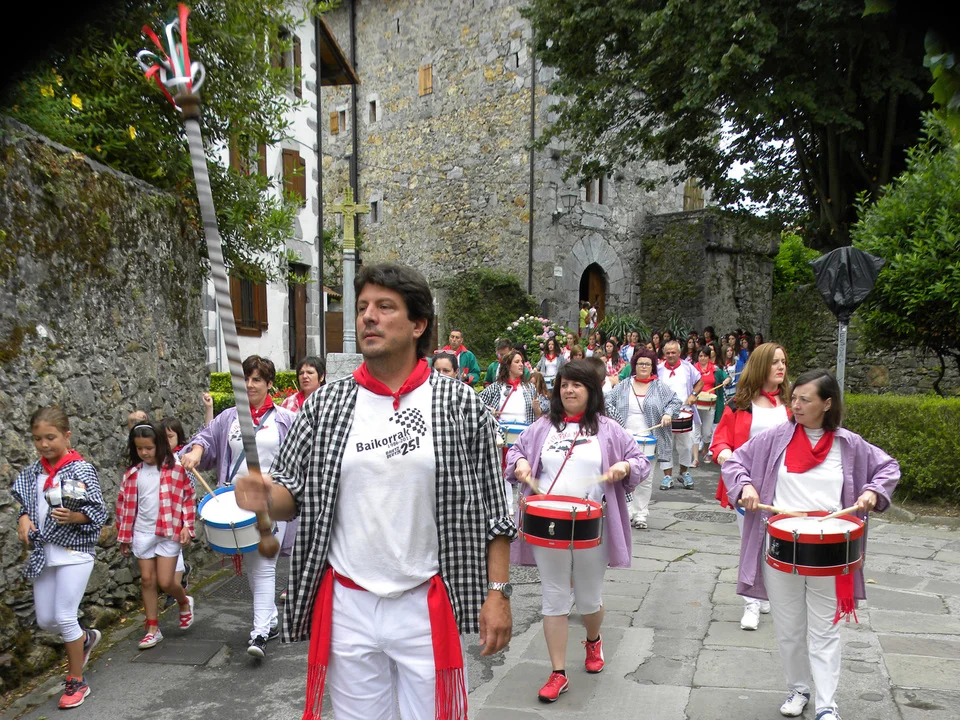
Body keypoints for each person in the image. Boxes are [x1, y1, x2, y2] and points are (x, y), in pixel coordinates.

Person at [234, 262, 514, 720]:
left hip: (426, 604)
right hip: (349, 606)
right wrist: (264, 496)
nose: (368, 316)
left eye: (385, 307)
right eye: (363, 306)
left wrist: (498, 593)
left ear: (418, 324)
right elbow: (290, 497)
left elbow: (495, 510)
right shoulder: (326, 405)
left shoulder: (461, 404)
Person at [722, 369, 900, 720]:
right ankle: (798, 689)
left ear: (827, 403)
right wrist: (745, 486)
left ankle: (827, 705)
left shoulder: (849, 444)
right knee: (789, 629)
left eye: (805, 399)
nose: (796, 405)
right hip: (781, 547)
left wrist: (872, 491)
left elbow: (888, 468)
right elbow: (736, 462)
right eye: (794, 398)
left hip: (830, 551)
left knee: (825, 629)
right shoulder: (775, 438)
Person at [506, 360, 649, 702]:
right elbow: (516, 452)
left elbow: (640, 462)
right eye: (564, 384)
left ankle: (593, 639)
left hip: (592, 527)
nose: (569, 390)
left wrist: (624, 465)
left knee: (588, 599)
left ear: (591, 391)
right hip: (548, 525)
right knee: (554, 596)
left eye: (577, 385)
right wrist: (520, 462)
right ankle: (558, 673)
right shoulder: (543, 426)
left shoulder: (609, 429)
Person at [180, 355, 296, 659]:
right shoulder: (228, 418)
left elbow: (302, 456)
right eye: (245, 379)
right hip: (237, 501)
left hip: (273, 500)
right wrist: (195, 452)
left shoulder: (285, 419)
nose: (250, 384)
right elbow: (205, 438)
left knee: (264, 563)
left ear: (270, 384)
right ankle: (270, 619)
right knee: (254, 565)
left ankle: (259, 632)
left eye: (257, 379)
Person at [13, 407, 107, 710]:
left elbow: (99, 512)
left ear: (67, 436)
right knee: (46, 619)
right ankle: (85, 639)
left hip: (75, 553)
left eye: (50, 437)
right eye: (37, 438)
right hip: (44, 552)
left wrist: (75, 516)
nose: (43, 444)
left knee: (65, 616)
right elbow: (26, 504)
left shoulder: (80, 469)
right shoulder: (33, 472)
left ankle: (76, 680)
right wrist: (23, 518)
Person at [711, 342, 790, 632]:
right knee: (751, 544)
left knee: (777, 544)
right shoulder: (739, 404)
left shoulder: (793, 404)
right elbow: (720, 441)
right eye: (774, 362)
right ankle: (751, 603)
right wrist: (726, 456)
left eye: (783, 362)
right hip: (748, 486)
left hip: (786, 486)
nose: (781, 367)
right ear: (760, 366)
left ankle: (765, 591)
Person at [116, 422, 195, 649]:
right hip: (143, 532)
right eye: (139, 448)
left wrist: (187, 526)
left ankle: (183, 601)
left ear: (159, 445)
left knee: (167, 581)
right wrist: (124, 536)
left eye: (149, 448)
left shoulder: (176, 469)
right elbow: (124, 507)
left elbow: (188, 498)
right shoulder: (132, 474)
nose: (144, 452)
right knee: (147, 580)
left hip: (169, 531)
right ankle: (152, 628)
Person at [606, 349, 682, 529]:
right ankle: (626, 512)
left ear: (652, 367)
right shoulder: (624, 385)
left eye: (647, 364)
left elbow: (675, 402)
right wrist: (616, 423)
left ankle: (641, 514)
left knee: (645, 478)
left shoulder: (660, 387)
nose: (644, 367)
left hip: (650, 439)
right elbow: (606, 402)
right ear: (634, 365)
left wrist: (667, 414)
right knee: (624, 476)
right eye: (640, 363)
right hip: (624, 438)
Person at [657, 340, 703, 489]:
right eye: (668, 353)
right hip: (665, 414)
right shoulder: (658, 369)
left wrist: (693, 394)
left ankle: (683, 473)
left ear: (679, 353)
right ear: (664, 354)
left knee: (687, 446)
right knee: (665, 446)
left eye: (673, 352)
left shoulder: (687, 367)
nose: (670, 355)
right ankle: (667, 476)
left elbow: (700, 382)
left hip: (685, 411)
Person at [693, 346, 731, 464]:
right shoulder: (693, 369)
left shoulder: (715, 369)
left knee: (707, 432)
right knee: (696, 431)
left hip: (710, 404)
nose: (702, 358)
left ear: (709, 357)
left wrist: (727, 380)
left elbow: (727, 377)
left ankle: (705, 450)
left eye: (705, 356)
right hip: (696, 403)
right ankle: (695, 458)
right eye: (700, 356)